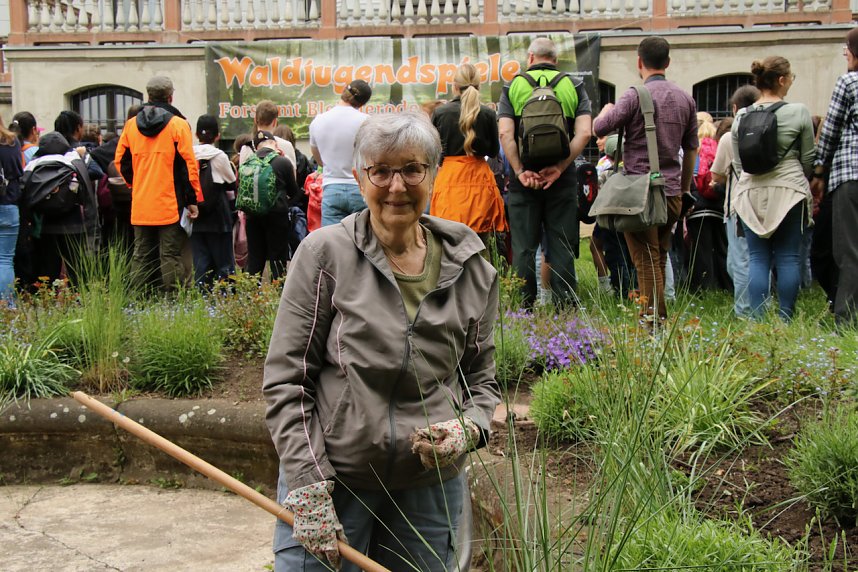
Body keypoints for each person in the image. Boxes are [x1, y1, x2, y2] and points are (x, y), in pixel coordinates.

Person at [263, 111, 500, 572]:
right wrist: (308, 482)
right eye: (381, 171)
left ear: (433, 175)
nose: (397, 186)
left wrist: (468, 428)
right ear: (358, 176)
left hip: (428, 487)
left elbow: (481, 381)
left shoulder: (470, 265)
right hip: (336, 478)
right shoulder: (325, 254)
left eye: (412, 169)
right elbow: (288, 381)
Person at [594, 36, 698, 329]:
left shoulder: (634, 95)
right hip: (673, 192)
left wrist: (606, 111)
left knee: (646, 259)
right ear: (667, 62)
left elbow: (600, 128)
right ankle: (656, 320)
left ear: (639, 62)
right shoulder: (685, 98)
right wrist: (685, 187)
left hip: (639, 194)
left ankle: (653, 323)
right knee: (659, 256)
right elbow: (692, 148)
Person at [498, 37, 592, 307]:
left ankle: (524, 308)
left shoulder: (513, 85)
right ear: (556, 59)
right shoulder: (572, 84)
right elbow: (585, 131)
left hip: (524, 179)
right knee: (561, 244)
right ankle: (566, 308)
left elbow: (505, 132)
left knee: (524, 247)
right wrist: (561, 167)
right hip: (561, 180)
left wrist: (519, 171)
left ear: (530, 58)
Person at [732, 56, 815, 321]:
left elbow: (737, 163)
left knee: (758, 259)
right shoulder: (799, 112)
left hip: (750, 194)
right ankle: (785, 320)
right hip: (789, 191)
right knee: (788, 258)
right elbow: (808, 158)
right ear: (781, 80)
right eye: (791, 77)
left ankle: (757, 321)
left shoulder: (741, 116)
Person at [115, 76, 203, 293]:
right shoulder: (178, 125)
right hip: (170, 202)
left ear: (148, 96)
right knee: (170, 254)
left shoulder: (131, 126)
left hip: (142, 202)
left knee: (141, 254)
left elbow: (121, 161)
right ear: (170, 96)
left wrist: (137, 185)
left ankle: (139, 301)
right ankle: (172, 304)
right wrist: (192, 200)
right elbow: (188, 166)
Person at [431, 63, 507, 245]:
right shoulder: (488, 113)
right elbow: (494, 151)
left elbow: (432, 150)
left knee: (448, 240)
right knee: (481, 243)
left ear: (454, 86)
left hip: (449, 180)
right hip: (479, 181)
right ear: (479, 87)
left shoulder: (440, 113)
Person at [813, 27, 858, 325]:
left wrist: (819, 170)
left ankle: (848, 318)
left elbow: (830, 130)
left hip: (851, 174)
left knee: (849, 249)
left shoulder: (849, 81)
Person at [22, 132, 99, 287]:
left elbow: (24, 195)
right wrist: (93, 229)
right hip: (74, 226)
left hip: (45, 226)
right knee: (76, 270)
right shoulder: (74, 161)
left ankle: (45, 303)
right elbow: (88, 194)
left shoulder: (33, 164)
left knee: (46, 272)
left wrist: (28, 226)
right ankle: (79, 301)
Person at [711, 84, 761, 317]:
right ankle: (763, 308)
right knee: (761, 259)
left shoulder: (730, 137)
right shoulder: (770, 130)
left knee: (738, 261)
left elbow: (717, 174)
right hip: (766, 203)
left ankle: (744, 312)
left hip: (738, 203)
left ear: (734, 108)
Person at [309, 79, 372, 226]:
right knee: (365, 240)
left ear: (343, 90)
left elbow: (319, 159)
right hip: (360, 188)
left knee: (333, 242)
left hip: (331, 189)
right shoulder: (366, 121)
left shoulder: (318, 121)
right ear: (362, 103)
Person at [241, 130, 300, 281]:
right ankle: (278, 295)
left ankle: (250, 295)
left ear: (256, 147)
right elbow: (294, 192)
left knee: (255, 258)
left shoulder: (248, 162)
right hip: (276, 217)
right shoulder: (282, 161)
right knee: (277, 257)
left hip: (252, 216)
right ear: (275, 144)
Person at [686, 117, 732, 293]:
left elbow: (693, 178)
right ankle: (726, 285)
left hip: (699, 207)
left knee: (701, 250)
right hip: (718, 205)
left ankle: (702, 288)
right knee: (722, 247)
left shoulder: (695, 152)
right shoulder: (717, 149)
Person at [191, 115, 237, 287]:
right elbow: (231, 182)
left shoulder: (189, 154)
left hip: (195, 215)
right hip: (218, 218)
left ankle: (203, 296)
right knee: (223, 261)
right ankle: (227, 295)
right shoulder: (219, 156)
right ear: (218, 135)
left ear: (196, 134)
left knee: (201, 261)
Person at [0, 115, 23, 305]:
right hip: (8, 204)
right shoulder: (11, 141)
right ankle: (7, 305)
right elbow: (17, 172)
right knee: (5, 260)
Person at [238, 100, 297, 168]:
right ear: (275, 122)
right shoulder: (287, 146)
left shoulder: (246, 148)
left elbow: (242, 177)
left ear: (255, 120)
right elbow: (292, 177)